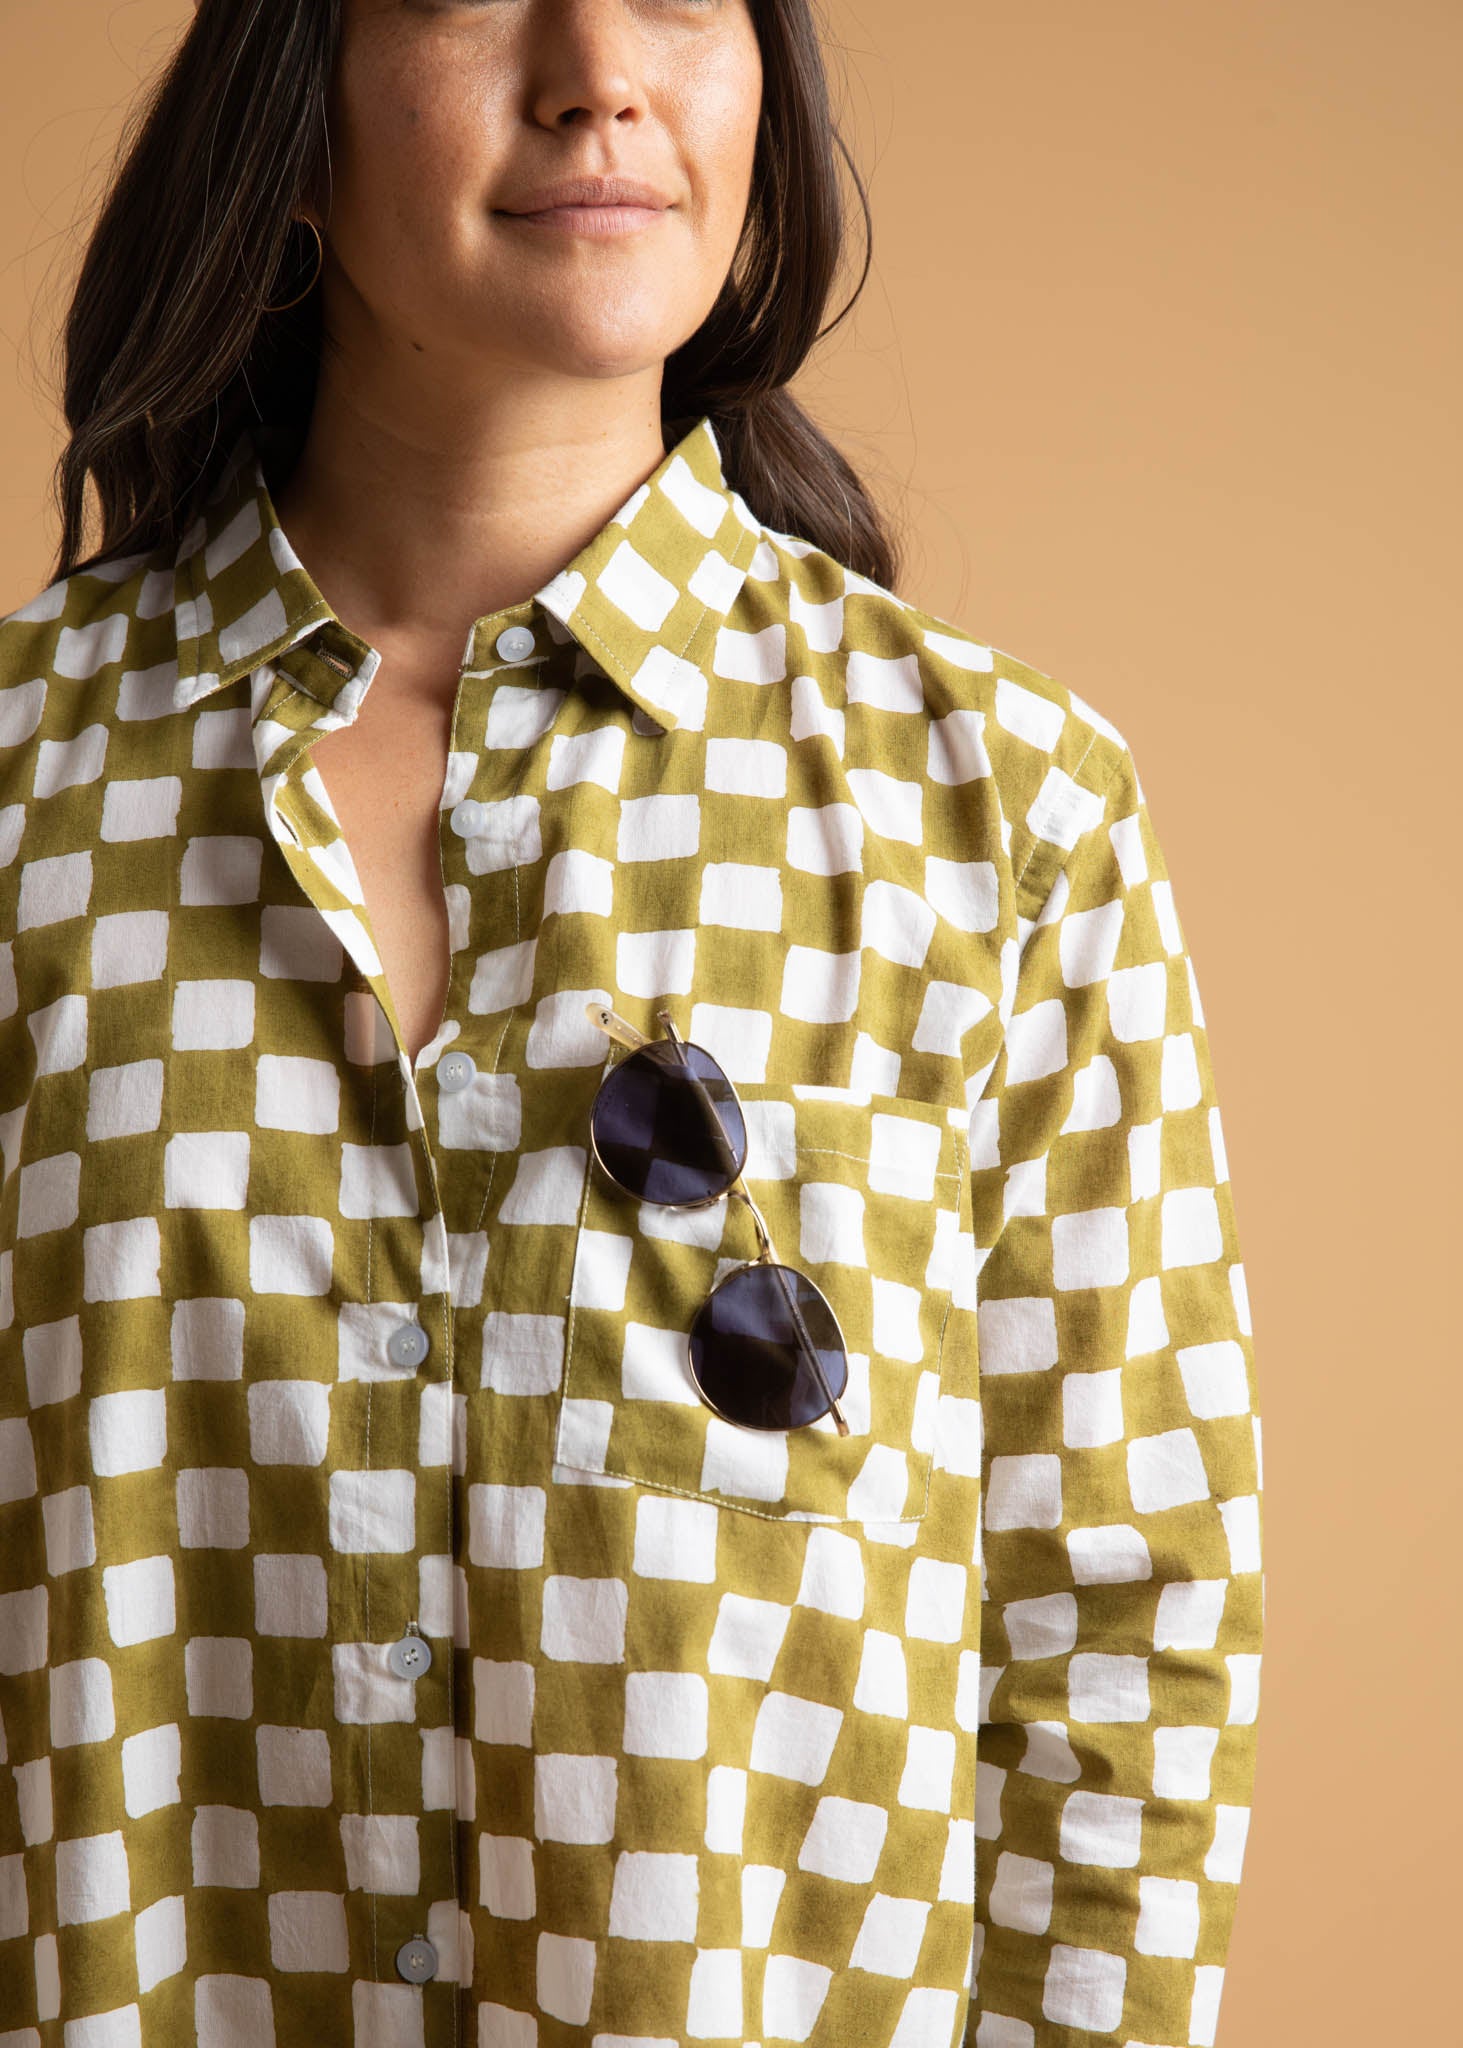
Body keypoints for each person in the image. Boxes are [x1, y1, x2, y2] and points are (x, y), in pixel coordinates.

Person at [0, 1, 1263, 2043]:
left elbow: (1116, 1626)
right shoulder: (21, 789)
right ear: (292, 118)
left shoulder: (1003, 812)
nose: (596, 65)